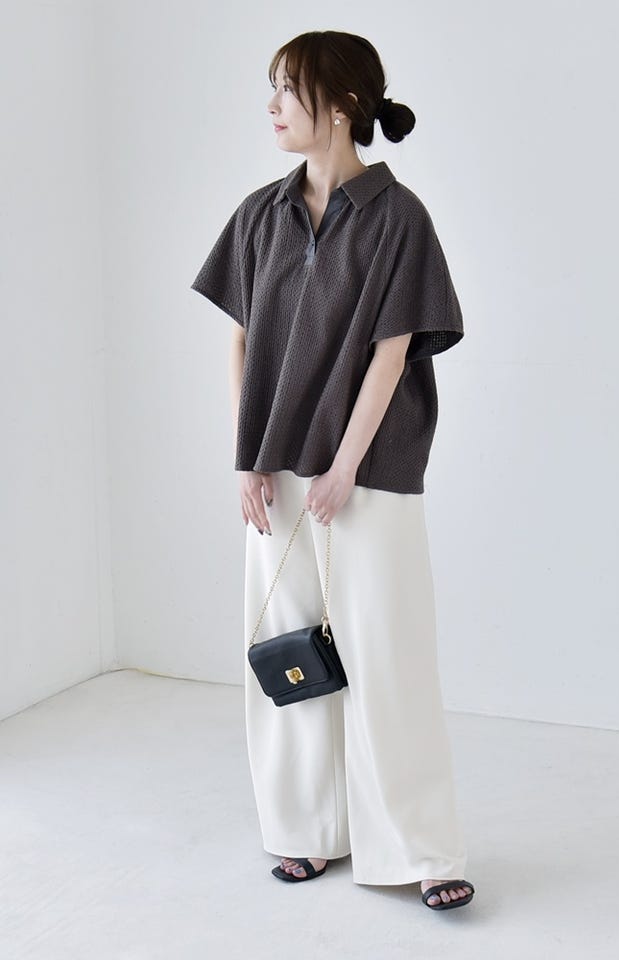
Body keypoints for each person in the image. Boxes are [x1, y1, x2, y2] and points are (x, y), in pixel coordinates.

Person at [190, 30, 474, 911]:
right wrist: (249, 459)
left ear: (342, 106)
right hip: (277, 473)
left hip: (369, 471)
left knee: (386, 655)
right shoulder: (259, 215)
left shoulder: (398, 218)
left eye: (289, 89)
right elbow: (241, 342)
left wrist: (346, 465)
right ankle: (305, 832)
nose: (272, 105)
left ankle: (421, 849)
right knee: (291, 661)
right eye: (273, 88)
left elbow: (393, 352)